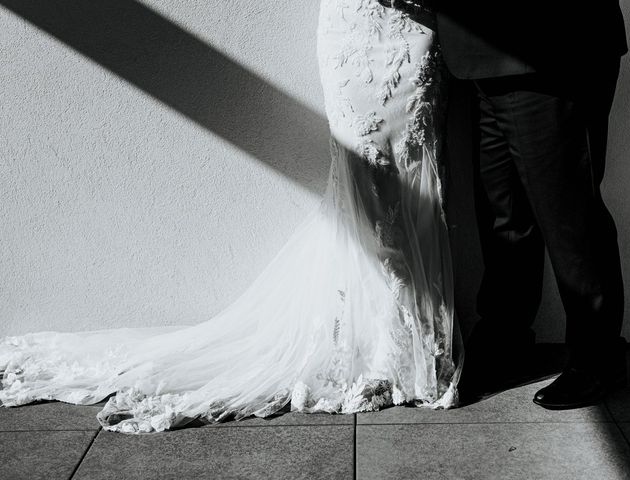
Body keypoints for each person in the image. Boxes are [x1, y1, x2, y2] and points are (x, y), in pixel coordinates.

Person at [0, 0, 461, 433]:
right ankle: (375, 348)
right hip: (354, 29)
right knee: (364, 181)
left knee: (418, 171)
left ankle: (412, 340)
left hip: (414, 32)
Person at [436, 1, 628, 408]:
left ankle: (598, 358)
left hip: (550, 49)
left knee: (568, 216)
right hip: (485, 55)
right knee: (504, 216)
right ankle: (506, 340)